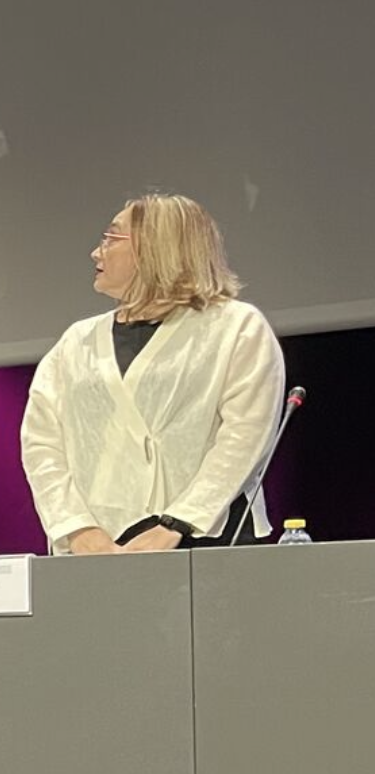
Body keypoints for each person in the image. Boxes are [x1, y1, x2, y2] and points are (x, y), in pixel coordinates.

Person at [21, 193, 286, 553]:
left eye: (111, 239)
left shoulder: (235, 327)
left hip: (203, 540)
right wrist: (78, 529)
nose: (96, 253)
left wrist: (177, 523)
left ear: (158, 247)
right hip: (94, 550)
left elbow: (243, 437)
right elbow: (42, 443)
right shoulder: (76, 341)